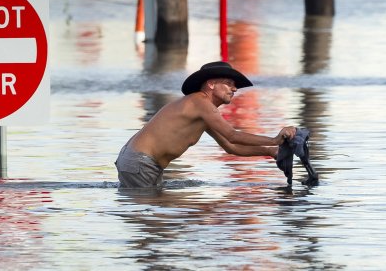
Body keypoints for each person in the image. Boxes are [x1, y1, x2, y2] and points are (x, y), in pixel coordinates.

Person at [115, 61, 296, 188]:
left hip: (140, 162)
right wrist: (275, 140)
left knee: (161, 214)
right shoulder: (200, 102)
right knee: (158, 219)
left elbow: (231, 147)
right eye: (228, 84)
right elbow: (232, 135)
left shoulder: (203, 111)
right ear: (210, 84)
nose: (234, 89)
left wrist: (269, 151)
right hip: (140, 162)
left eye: (234, 86)